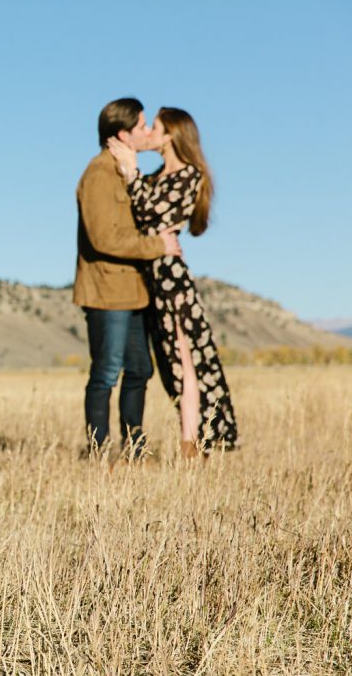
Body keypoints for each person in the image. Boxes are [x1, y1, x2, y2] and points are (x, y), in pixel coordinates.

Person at [108, 107, 239, 457]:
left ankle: (191, 443)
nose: (148, 131)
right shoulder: (152, 177)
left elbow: (153, 213)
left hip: (170, 278)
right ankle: (192, 439)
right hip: (149, 276)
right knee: (168, 363)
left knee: (185, 358)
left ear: (171, 136)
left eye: (155, 127)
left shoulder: (189, 176)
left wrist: (130, 172)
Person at [73, 97, 182, 460]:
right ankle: (98, 452)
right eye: (142, 127)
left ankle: (135, 449)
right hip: (106, 292)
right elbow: (104, 237)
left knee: (140, 370)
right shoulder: (99, 175)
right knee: (106, 373)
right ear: (122, 134)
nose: (148, 132)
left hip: (135, 292)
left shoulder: (127, 172)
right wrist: (158, 246)